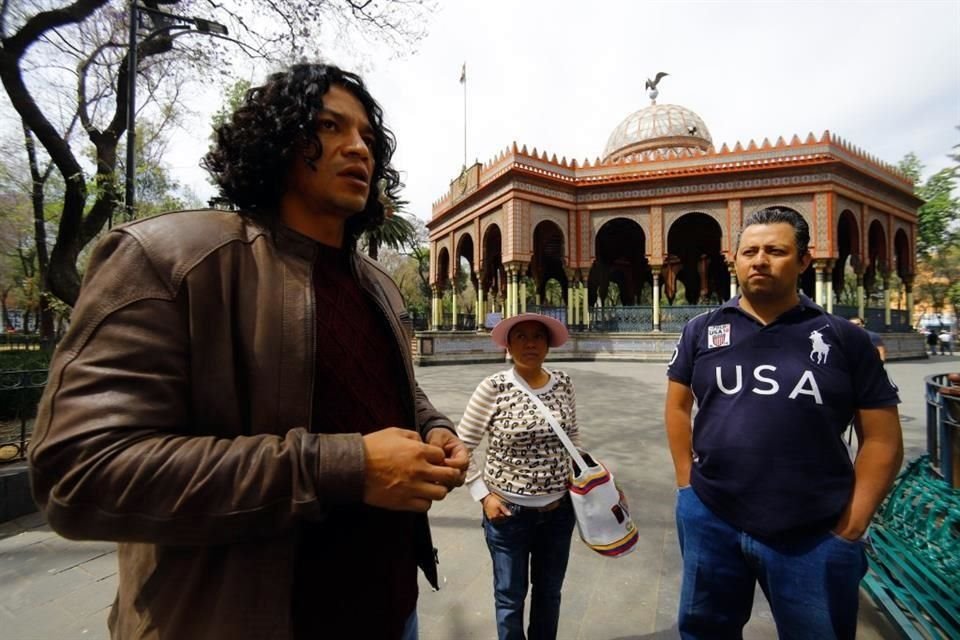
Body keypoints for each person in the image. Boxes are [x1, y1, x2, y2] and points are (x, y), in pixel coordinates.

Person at [28, 63, 469, 640]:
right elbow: (79, 471)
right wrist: (346, 467)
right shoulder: (174, 259)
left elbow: (392, 391)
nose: (358, 147)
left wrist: (434, 428)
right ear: (279, 138)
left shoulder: (375, 285)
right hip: (237, 619)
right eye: (329, 127)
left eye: (366, 135)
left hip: (390, 610)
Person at [664, 207, 903, 640]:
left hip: (813, 530)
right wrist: (687, 489)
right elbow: (678, 407)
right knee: (703, 630)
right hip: (712, 515)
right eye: (749, 251)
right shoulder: (702, 330)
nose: (759, 260)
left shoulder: (844, 338)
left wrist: (850, 527)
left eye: (775, 250)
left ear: (804, 261)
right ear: (732, 260)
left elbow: (882, 439)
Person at [456, 313, 579, 640]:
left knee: (549, 593)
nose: (530, 343)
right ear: (508, 345)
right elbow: (461, 447)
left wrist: (592, 482)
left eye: (538, 336)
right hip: (509, 514)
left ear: (548, 344)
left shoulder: (564, 383)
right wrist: (483, 495)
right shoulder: (493, 387)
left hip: (558, 513)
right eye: (520, 336)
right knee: (510, 597)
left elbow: (574, 440)